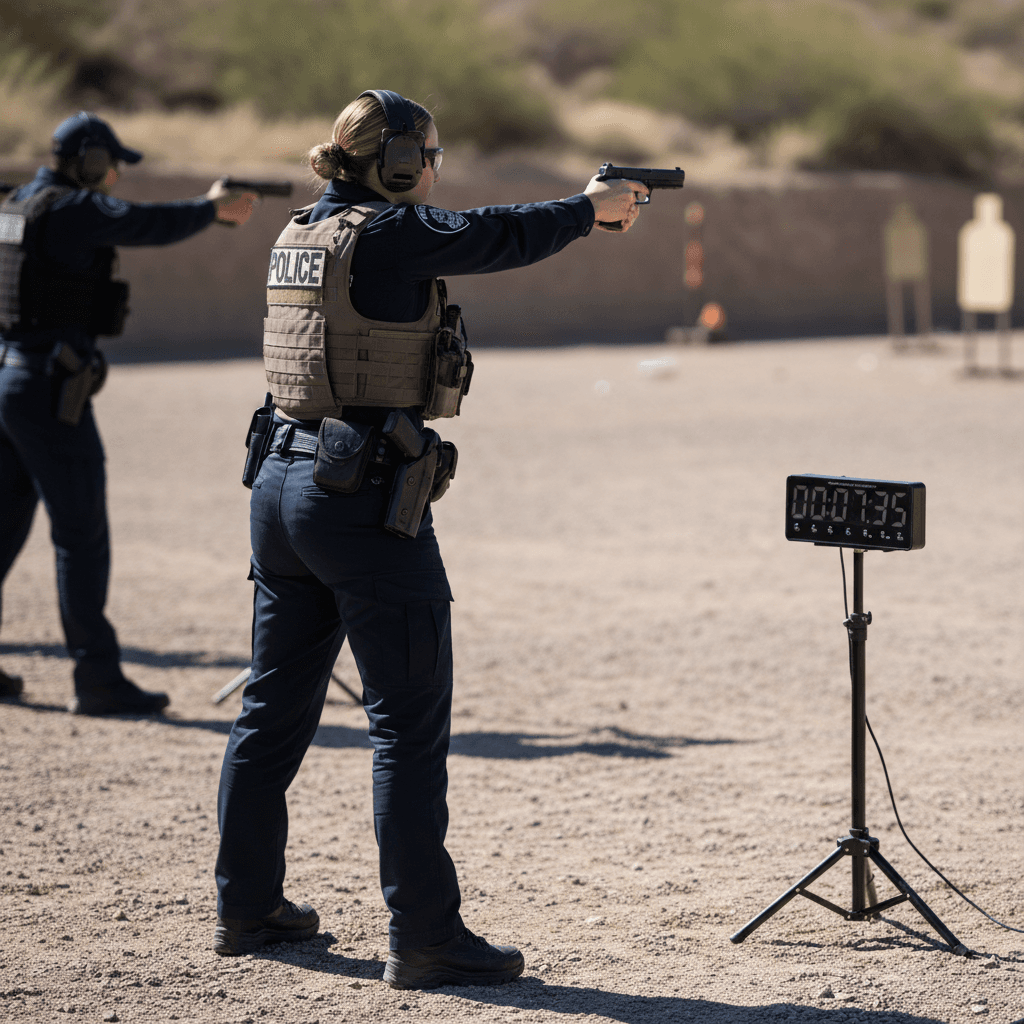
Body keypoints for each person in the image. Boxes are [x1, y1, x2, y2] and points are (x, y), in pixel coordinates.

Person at [212, 89, 645, 989]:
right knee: (407, 726)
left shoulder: (300, 232)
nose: (435, 172)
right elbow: (496, 234)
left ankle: (247, 905)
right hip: (359, 498)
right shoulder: (385, 233)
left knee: (271, 707)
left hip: (282, 482)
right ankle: (426, 937)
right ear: (399, 163)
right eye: (429, 156)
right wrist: (586, 210)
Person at [0, 111, 255, 713]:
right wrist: (211, 207)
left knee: (5, 526)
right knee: (80, 536)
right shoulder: (69, 207)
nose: (114, 176)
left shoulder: (17, 205)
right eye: (110, 164)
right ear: (89, 160)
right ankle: (97, 679)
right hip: (43, 387)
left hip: (9, 378)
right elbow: (145, 222)